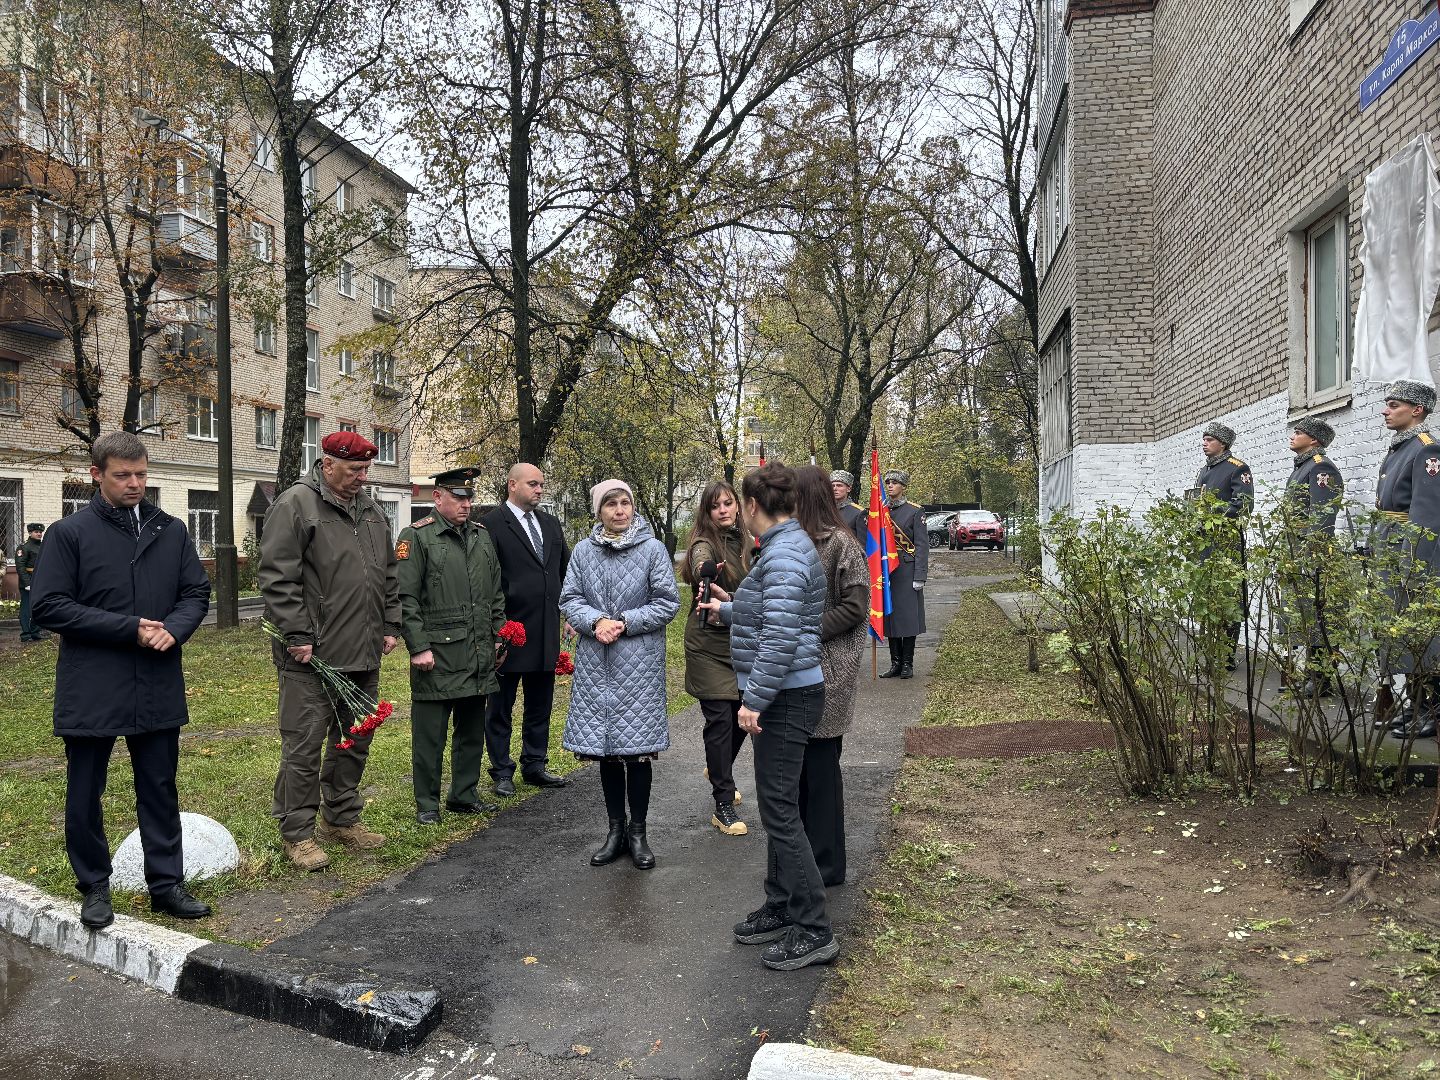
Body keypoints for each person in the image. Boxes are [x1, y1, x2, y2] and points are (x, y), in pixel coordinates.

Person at [30, 432, 213, 929]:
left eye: (142, 475)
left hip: (155, 679)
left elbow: (196, 591)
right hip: (92, 684)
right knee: (86, 790)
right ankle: (94, 885)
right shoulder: (70, 533)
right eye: (123, 476)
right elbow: (47, 606)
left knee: (159, 786)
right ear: (97, 475)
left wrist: (173, 630)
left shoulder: (169, 530)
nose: (135, 484)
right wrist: (129, 628)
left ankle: (166, 885)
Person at [699, 462, 838, 972]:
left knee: (779, 809)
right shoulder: (788, 547)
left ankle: (814, 928)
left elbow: (781, 638)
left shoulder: (783, 555)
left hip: (785, 696)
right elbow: (780, 614)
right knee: (781, 806)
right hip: (789, 691)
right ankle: (782, 904)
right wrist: (729, 608)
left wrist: (753, 700)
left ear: (753, 506)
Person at [258, 431, 401, 871]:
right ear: (327, 463)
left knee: (353, 740)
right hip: (311, 654)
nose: (362, 477)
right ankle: (297, 833)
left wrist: (390, 624)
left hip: (363, 649)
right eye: (354, 470)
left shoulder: (373, 511)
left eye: (365, 470)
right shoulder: (295, 505)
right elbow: (277, 577)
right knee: (303, 745)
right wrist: (297, 633)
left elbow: (389, 575)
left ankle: (340, 819)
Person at [560, 480, 680, 869]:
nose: (619, 510)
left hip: (638, 665)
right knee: (607, 752)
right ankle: (615, 829)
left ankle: (639, 832)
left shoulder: (652, 549)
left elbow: (667, 602)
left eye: (624, 502)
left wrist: (624, 623)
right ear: (599, 511)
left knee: (637, 752)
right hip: (597, 661)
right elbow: (569, 598)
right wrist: (595, 622)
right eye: (610, 504)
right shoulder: (582, 551)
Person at [397, 467, 507, 825]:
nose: (465, 504)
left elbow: (495, 593)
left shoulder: (480, 536)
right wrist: (417, 647)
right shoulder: (417, 538)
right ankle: (427, 804)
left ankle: (463, 794)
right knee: (430, 734)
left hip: (477, 650)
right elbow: (405, 598)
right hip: (439, 653)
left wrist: (499, 634)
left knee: (472, 730)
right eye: (458, 498)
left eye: (469, 498)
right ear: (438, 497)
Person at [793, 466, 868, 887]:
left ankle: (827, 866)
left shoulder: (841, 543)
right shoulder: (793, 543)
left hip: (830, 670)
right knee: (801, 773)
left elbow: (856, 607)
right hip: (799, 670)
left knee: (822, 772)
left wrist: (803, 628)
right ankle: (806, 857)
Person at [481, 463, 571, 796]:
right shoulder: (491, 525)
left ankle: (535, 764)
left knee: (540, 704)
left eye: (541, 484)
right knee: (501, 706)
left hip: (545, 629)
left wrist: (569, 613)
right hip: (509, 633)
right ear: (512, 485)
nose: (539, 490)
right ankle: (502, 770)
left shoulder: (549, 523)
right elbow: (485, 581)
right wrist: (494, 631)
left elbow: (563, 573)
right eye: (533, 484)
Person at [681, 480, 752, 836]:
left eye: (728, 503)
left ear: (737, 506)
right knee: (721, 720)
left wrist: (737, 600)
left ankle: (718, 766)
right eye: (716, 506)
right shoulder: (703, 543)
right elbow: (700, 565)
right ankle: (722, 803)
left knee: (742, 716)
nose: (723, 510)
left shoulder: (750, 541)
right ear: (706, 512)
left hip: (741, 640)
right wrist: (705, 577)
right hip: (708, 644)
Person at [1374, 380, 1440, 738]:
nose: (1386, 410)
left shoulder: (1427, 451)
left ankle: (1431, 708)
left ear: (1417, 410)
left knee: (1421, 632)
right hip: (1391, 548)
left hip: (1410, 554)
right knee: (1400, 632)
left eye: (1394, 404)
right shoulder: (1399, 449)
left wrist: (1415, 567)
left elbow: (1427, 517)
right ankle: (1415, 703)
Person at [1283, 417, 1344, 698]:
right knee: (1303, 614)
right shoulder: (1303, 466)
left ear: (1315, 439)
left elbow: (1322, 517)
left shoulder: (1321, 467)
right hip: (1296, 548)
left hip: (1311, 552)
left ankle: (1320, 678)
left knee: (1317, 616)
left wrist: (1310, 553)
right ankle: (1310, 673)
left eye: (1300, 432)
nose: (1293, 436)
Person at [1190, 421, 1255, 667]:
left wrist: (1214, 515)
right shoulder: (1204, 470)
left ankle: (1227, 654)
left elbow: (1244, 504)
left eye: (1209, 440)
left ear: (1223, 444)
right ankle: (1210, 649)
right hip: (1205, 542)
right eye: (1204, 439)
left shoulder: (1237, 468)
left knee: (1229, 595)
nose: (1204, 443)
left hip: (1225, 541)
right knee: (1207, 594)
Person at [880, 470, 926, 679]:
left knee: (907, 619)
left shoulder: (915, 511)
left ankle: (907, 663)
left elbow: (921, 546)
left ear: (903, 486)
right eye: (888, 482)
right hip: (887, 572)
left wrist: (920, 575)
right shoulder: (880, 511)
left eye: (895, 482)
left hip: (907, 572)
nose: (890, 485)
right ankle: (895, 663)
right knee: (890, 618)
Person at [16, 522, 48, 642]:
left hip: (40, 580)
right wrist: (27, 583)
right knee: (26, 608)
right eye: (36, 532)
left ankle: (35, 631)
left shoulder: (43, 546)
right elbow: (20, 567)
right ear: (30, 533)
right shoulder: (24, 547)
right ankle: (25, 634)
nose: (39, 534)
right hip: (28, 581)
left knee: (39, 606)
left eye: (40, 532)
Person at [830, 470, 867, 547]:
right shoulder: (826, 510)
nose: (835, 489)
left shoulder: (858, 512)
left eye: (839, 485)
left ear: (849, 489)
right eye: (832, 486)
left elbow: (862, 544)